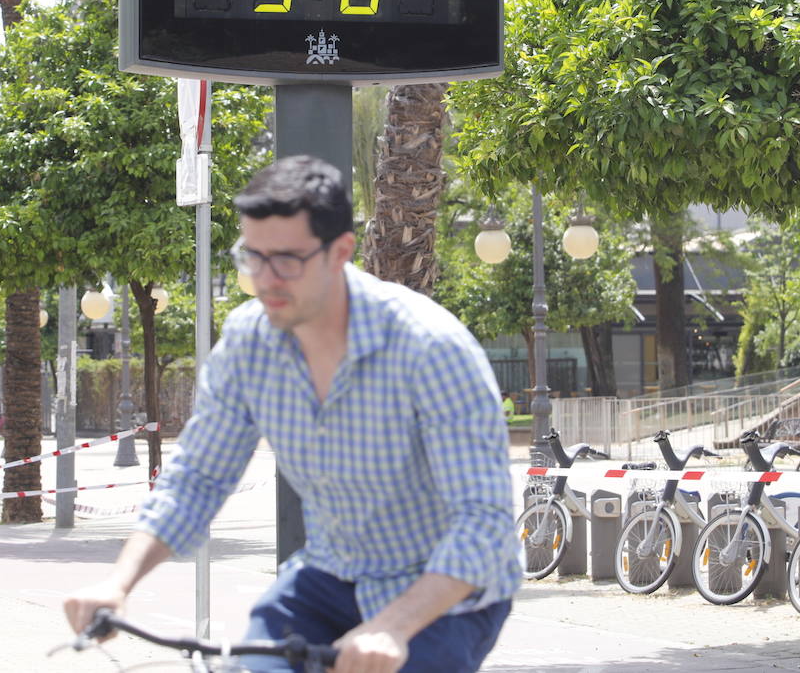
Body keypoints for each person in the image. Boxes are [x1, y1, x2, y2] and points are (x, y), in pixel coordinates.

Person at [64, 156, 520, 673]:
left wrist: (392, 626)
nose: (265, 279)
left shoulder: (429, 348)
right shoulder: (247, 342)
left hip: (444, 590)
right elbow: (196, 479)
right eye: (252, 257)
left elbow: (483, 523)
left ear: (340, 252)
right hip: (329, 573)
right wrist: (117, 582)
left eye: (286, 260)